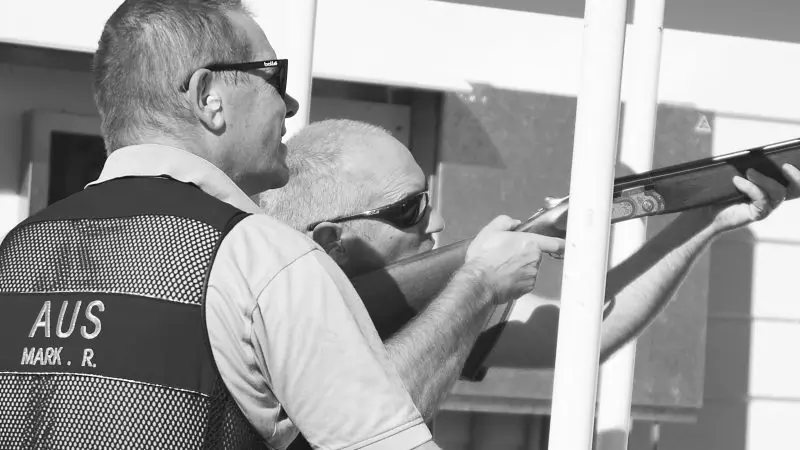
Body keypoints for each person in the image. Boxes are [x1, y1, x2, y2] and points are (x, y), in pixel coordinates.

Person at [0, 2, 566, 450]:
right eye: (271, 75)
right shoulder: (261, 256)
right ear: (208, 98)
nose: (289, 104)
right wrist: (477, 285)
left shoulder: (18, 251)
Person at [258, 119, 800, 445]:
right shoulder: (262, 308)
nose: (438, 222)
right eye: (409, 210)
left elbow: (580, 333)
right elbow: (367, 428)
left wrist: (704, 217)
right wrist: (476, 287)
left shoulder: (416, 305)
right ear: (331, 241)